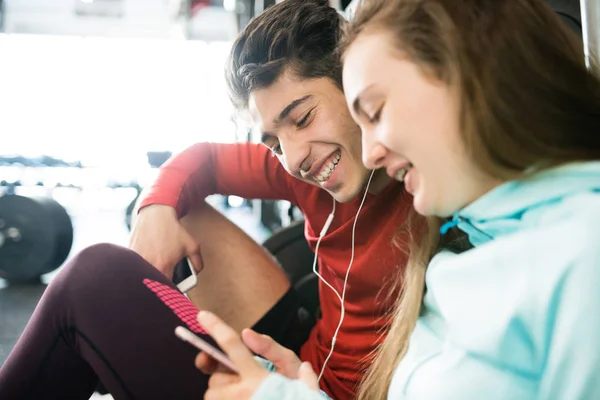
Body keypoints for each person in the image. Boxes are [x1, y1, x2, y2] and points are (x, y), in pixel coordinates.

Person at [0, 1, 414, 399]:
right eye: (273, 142)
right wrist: (154, 208)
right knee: (182, 215)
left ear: (355, 80)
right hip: (301, 361)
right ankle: (116, 346)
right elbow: (206, 160)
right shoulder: (304, 170)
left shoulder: (429, 190)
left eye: (302, 118)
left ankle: (106, 350)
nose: (294, 158)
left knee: (92, 276)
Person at [190, 0, 600, 399]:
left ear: (462, 77)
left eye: (376, 111)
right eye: (277, 144)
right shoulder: (457, 246)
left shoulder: (580, 256)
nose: (371, 153)